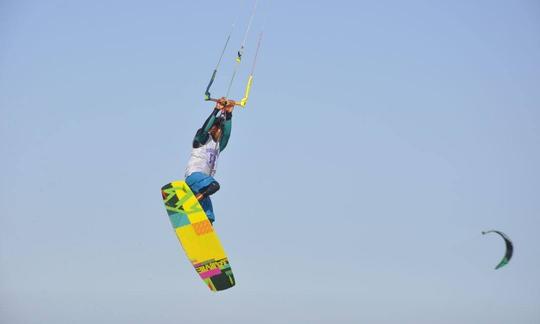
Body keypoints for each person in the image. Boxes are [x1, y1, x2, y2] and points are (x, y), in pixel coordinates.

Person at [185, 97, 235, 224]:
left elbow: (227, 135)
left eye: (217, 129)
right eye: (214, 128)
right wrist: (216, 110)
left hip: (203, 188)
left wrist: (229, 114)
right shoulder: (202, 139)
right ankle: (190, 203)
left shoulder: (218, 145)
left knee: (209, 217)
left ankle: (204, 230)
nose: (215, 130)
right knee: (214, 186)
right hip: (195, 177)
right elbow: (205, 128)